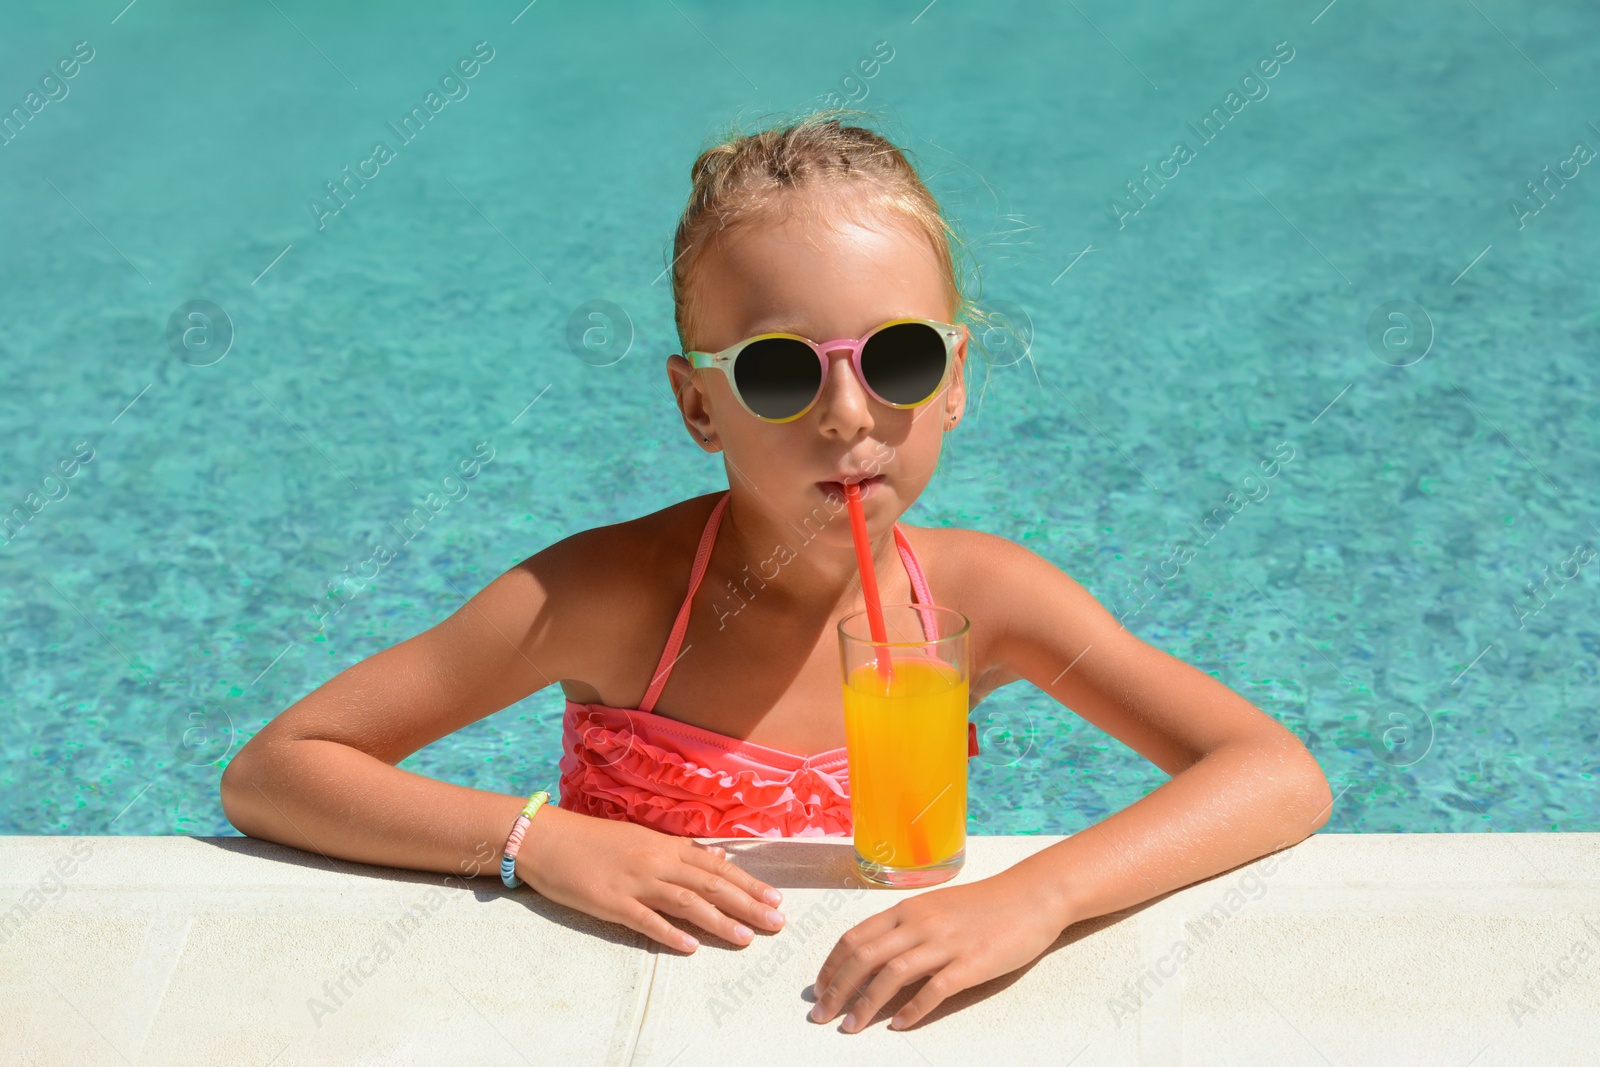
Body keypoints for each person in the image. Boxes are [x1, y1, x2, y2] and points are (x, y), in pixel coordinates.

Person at [220, 109, 1333, 1036]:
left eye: (898, 357)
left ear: (954, 381)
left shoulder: (981, 598)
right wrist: (539, 840)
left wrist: (1037, 894)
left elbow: (1273, 772)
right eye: (779, 372)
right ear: (698, 402)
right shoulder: (608, 597)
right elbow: (278, 769)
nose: (850, 417)